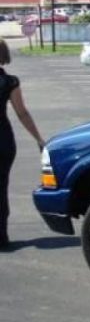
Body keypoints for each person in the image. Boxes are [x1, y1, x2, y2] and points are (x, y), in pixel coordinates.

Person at [0, 39, 45, 247]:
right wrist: (38, 139)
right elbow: (22, 113)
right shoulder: (10, 82)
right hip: (3, 141)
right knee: (2, 187)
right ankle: (1, 236)